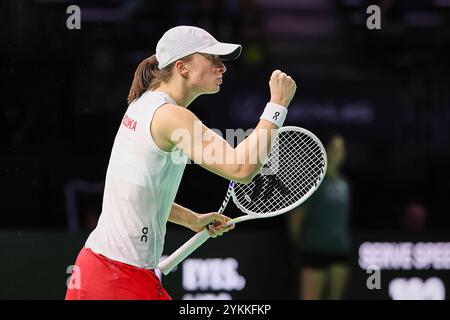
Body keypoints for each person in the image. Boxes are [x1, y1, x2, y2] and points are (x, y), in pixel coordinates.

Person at [65, 25, 297, 300]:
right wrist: (277, 106)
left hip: (101, 267)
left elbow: (139, 192)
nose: (222, 67)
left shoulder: (142, 105)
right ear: (182, 67)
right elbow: (241, 168)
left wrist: (191, 219)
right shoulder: (171, 117)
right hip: (118, 279)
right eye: (212, 59)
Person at [289, 134, 352, 300]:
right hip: (314, 251)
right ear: (326, 151)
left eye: (341, 149)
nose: (338, 153)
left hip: (340, 251)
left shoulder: (344, 185)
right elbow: (296, 218)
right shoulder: (314, 183)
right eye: (334, 149)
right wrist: (300, 243)